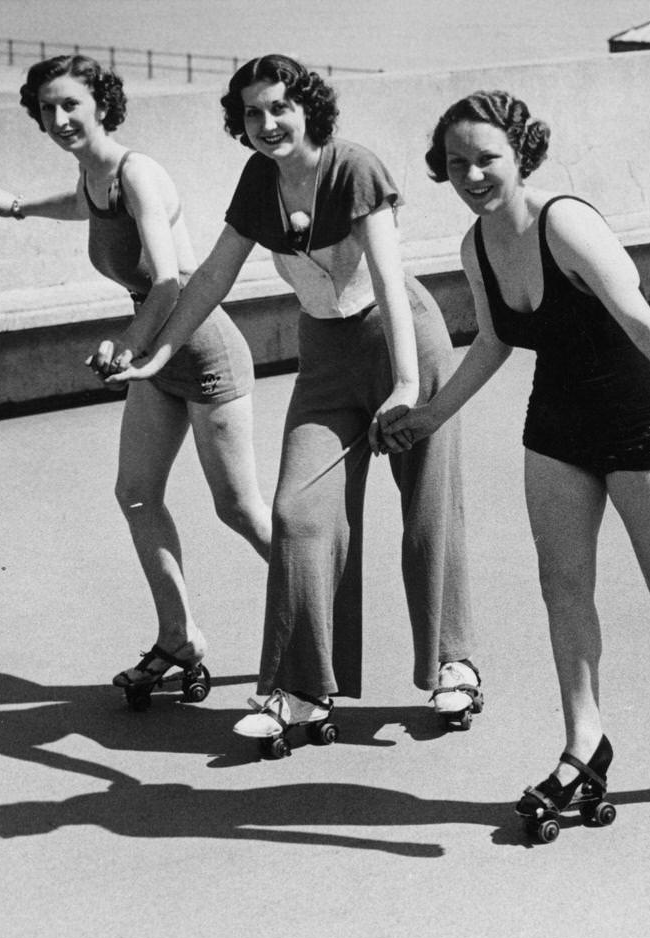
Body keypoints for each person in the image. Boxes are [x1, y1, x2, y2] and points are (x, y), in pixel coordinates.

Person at [379, 90, 650, 829]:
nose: (472, 175)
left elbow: (640, 319)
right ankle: (585, 745)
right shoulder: (476, 245)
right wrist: (427, 415)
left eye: (486, 158)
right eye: (456, 162)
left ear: (520, 154)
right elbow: (494, 342)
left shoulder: (567, 223)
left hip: (636, 415)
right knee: (563, 587)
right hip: (556, 423)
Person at [106, 54, 482, 749]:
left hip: (405, 343)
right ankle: (303, 690)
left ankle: (451, 663)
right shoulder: (259, 181)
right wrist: (156, 351)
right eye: (252, 112)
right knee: (298, 510)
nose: (268, 123)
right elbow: (212, 277)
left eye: (279, 106)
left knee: (427, 508)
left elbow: (391, 283)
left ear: (308, 106)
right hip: (328, 360)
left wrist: (406, 383)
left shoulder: (355, 168)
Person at [0, 55, 271, 702]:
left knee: (238, 507)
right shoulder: (95, 176)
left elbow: (168, 282)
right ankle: (179, 638)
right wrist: (15, 206)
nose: (59, 118)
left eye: (71, 104)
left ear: (101, 103)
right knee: (136, 494)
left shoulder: (139, 174)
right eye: (47, 108)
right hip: (155, 351)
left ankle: (324, 609)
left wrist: (126, 345)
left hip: (201, 346)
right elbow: (82, 205)